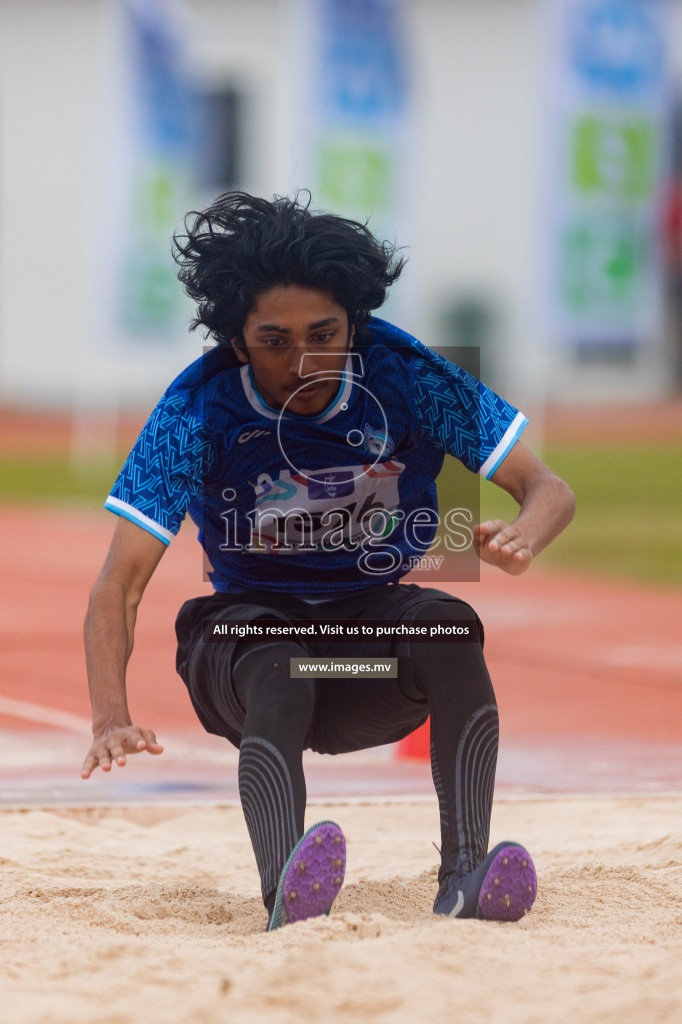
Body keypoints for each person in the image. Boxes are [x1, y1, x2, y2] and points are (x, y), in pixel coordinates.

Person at [82, 192, 575, 930]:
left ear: (356, 326)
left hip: (362, 664)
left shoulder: (410, 378)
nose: (304, 361)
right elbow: (117, 588)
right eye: (275, 340)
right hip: (247, 651)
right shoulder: (196, 411)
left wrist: (523, 536)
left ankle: (465, 874)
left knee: (448, 624)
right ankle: (287, 889)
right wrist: (109, 717)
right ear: (239, 341)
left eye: (325, 334)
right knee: (280, 660)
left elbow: (547, 488)